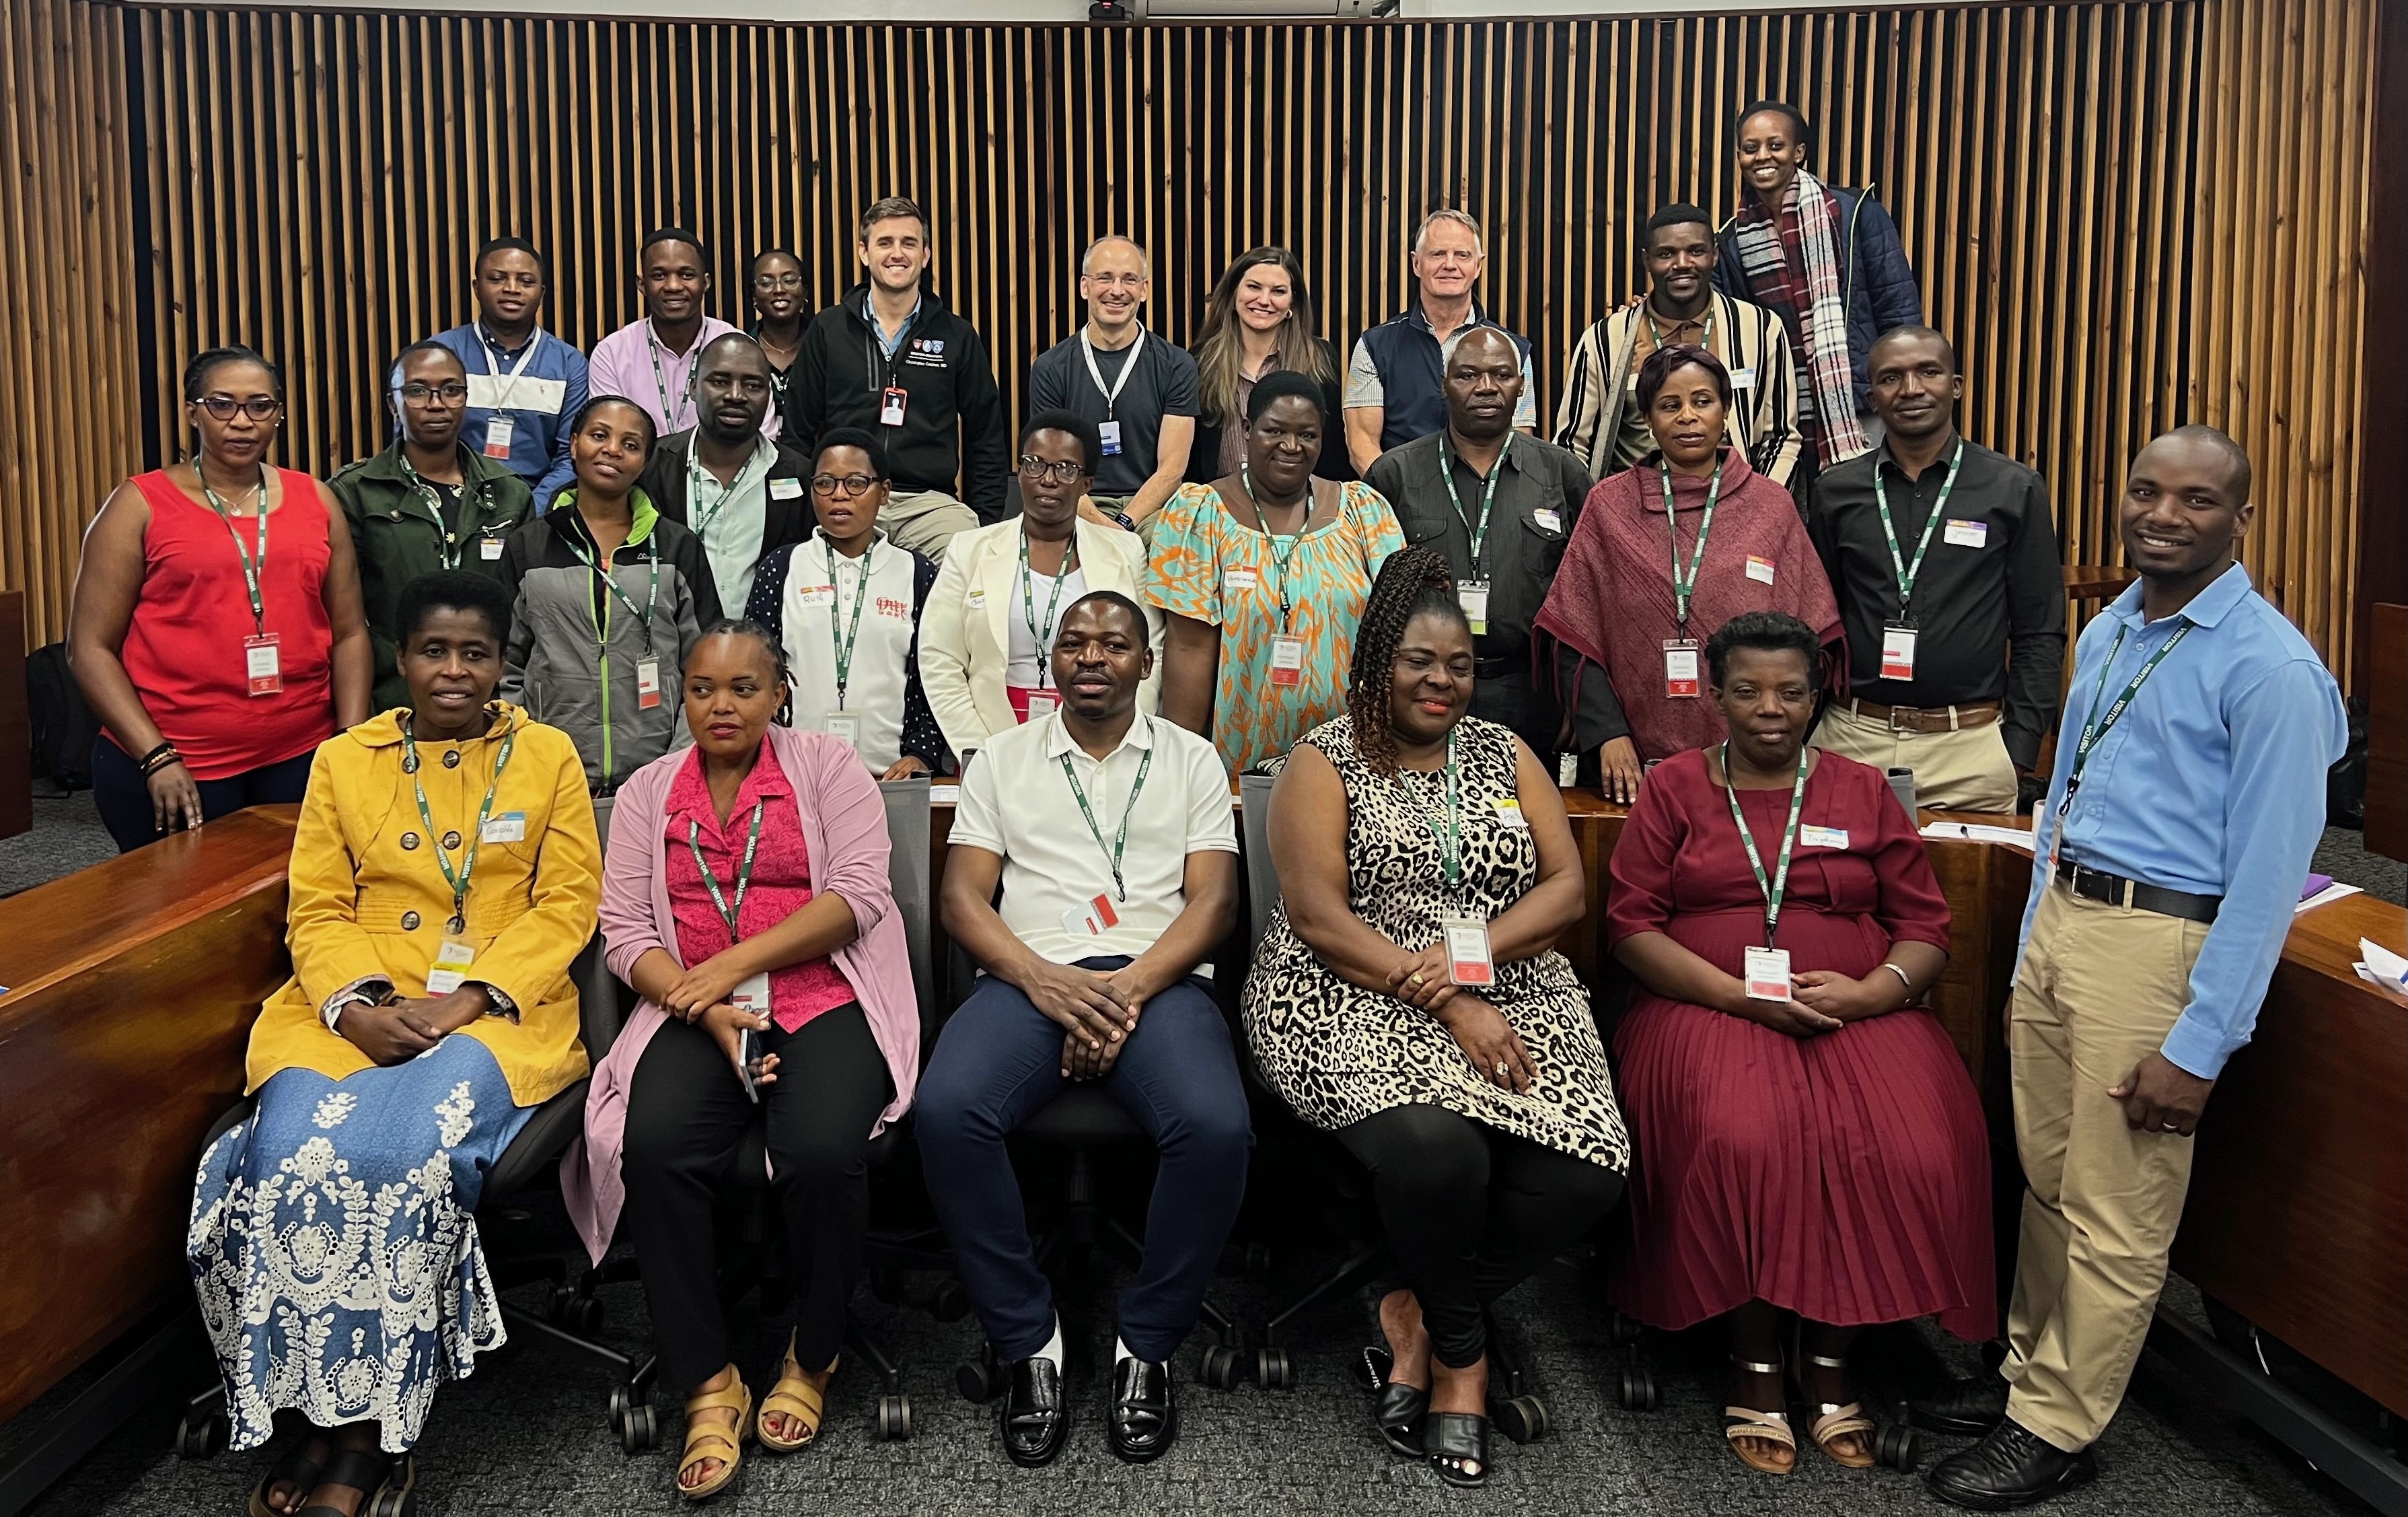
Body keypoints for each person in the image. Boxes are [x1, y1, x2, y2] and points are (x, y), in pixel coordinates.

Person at [1926, 428, 2347, 1510]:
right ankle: (2026, 1374)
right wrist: (2032, 947)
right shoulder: (2115, 624)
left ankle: (2059, 1425)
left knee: (2119, 1205)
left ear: (2240, 522)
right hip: (2067, 925)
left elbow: (2266, 883)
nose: (2162, 514)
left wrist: (2200, 1043)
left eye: (2197, 500)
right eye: (2144, 492)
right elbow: (2059, 805)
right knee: (2053, 1182)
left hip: (2160, 946)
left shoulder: (2271, 671)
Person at [190, 569, 599, 1517]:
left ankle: (377, 1434)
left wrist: (468, 999)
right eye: (433, 650)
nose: (454, 671)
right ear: (401, 658)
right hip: (348, 1011)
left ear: (503, 662)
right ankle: (309, 1409)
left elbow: (567, 902)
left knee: (401, 1157)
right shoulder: (345, 759)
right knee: (286, 1153)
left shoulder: (546, 755)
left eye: (476, 653)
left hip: (496, 1009)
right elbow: (318, 906)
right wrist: (355, 1004)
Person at [1243, 547, 1628, 1489]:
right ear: (1378, 663)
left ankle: (1414, 1309)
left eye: (1458, 665)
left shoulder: (1505, 752)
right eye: (1420, 661)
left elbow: (1566, 887)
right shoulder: (1320, 758)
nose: (1442, 681)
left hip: (1508, 984)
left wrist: (1479, 964)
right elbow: (1320, 920)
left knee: (1585, 1172)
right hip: (1343, 992)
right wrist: (1450, 1000)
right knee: (1437, 1151)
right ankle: (1462, 1355)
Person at [1605, 609, 1992, 1477]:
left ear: (1818, 694)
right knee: (1747, 1138)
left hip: (1858, 1006)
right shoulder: (1674, 788)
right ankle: (1753, 1362)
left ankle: (1829, 1362)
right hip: (1705, 1002)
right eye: (1746, 690)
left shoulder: (1863, 788)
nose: (1769, 708)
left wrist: (1873, 991)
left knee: (1909, 1143)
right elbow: (1633, 926)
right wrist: (1739, 997)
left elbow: (1925, 926)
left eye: (1790, 690)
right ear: (1715, 697)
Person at [565, 619, 920, 1500]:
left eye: (743, 688)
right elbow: (627, 932)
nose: (720, 705)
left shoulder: (827, 768)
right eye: (702, 688)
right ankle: (707, 1378)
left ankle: (814, 1348)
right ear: (681, 692)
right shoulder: (650, 790)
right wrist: (707, 1009)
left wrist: (725, 969)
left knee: (824, 1149)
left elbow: (858, 897)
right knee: (653, 1146)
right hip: (691, 1007)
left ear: (778, 692)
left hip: (821, 990)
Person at [918, 590, 1249, 1469]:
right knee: (947, 1108)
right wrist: (1046, 981)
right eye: (1074, 642)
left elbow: (1213, 901)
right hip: (1030, 979)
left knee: (1217, 1126)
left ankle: (1146, 1344)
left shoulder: (1192, 760)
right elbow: (960, 897)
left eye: (1114, 643)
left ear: (1146, 662)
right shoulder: (1001, 759)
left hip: (1160, 977)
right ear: (1050, 661)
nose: (1092, 656)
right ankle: (1031, 1341)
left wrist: (1127, 988)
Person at [67, 345, 373, 853]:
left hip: (299, 754)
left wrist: (350, 740)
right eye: (222, 405)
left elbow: (349, 631)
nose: (241, 422)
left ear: (277, 415)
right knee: (175, 919)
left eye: (259, 406)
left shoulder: (315, 498)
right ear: (193, 412)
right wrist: (155, 758)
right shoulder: (139, 504)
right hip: (173, 761)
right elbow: (90, 648)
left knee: (293, 910)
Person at [1534, 345, 1839, 789]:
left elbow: (1811, 638)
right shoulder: (1609, 506)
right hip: (1630, 763)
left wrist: (1779, 733)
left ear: (1725, 409)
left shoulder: (1770, 506)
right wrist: (1606, 734)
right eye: (1669, 405)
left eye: (1702, 401)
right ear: (1647, 418)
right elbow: (1575, 631)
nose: (1687, 417)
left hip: (1753, 756)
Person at [1807, 328, 2064, 814]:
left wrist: (2017, 750)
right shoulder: (1834, 492)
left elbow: (2039, 629)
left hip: (1968, 749)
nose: (1910, 389)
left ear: (1956, 385)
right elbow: (1817, 625)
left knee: (1966, 892)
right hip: (1851, 741)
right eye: (1891, 378)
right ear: (1872, 397)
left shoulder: (2012, 489)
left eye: (1928, 371)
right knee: (1833, 888)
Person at [1146, 372, 1405, 774]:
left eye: (1308, 435)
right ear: (1247, 430)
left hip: (1352, 757)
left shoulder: (1364, 512)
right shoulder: (1200, 515)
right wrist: (1184, 764)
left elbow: (1396, 639)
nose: (1291, 446)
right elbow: (1188, 648)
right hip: (1238, 754)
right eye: (1275, 430)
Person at [1364, 328, 1591, 764]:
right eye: (1468, 374)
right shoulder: (1393, 475)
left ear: (1520, 386)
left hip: (1532, 694)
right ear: (1443, 383)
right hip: (1420, 696)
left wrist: (1581, 700)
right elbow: (1368, 602)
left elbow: (1589, 597)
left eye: (1501, 375)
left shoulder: (1561, 473)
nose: (1486, 387)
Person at [500, 396, 722, 795]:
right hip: (548, 774)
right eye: (599, 435)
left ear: (645, 462)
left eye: (631, 444)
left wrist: (679, 761)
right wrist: (525, 749)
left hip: (661, 775)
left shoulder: (677, 547)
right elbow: (505, 663)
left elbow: (706, 666)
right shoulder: (528, 547)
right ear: (573, 444)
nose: (613, 450)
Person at [920, 411, 1161, 761]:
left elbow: (1150, 649)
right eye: (1035, 464)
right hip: (993, 733)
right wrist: (979, 751)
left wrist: (1123, 734)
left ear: (1086, 485)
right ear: (1019, 472)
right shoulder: (970, 550)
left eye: (1066, 469)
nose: (1048, 479)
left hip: (1099, 735)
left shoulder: (1125, 551)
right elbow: (939, 656)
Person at [1715, 101, 1921, 499]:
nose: (1762, 157)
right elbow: (1731, 329)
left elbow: (1898, 310)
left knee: (1871, 513)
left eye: (1775, 145)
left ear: (1798, 152)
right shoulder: (1731, 240)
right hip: (1784, 413)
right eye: (1750, 147)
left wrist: (1894, 388)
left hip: (1859, 401)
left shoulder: (1856, 213)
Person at [790, 196, 1008, 557]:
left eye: (909, 243)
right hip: (847, 494)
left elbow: (986, 437)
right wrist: (806, 507)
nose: (897, 253)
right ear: (864, 252)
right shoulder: (828, 330)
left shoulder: (957, 336)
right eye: (885, 243)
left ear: (925, 255)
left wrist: (983, 519)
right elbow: (798, 429)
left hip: (929, 505)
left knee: (971, 562)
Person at [335, 341, 536, 713]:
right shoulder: (356, 492)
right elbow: (344, 619)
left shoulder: (510, 493)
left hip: (487, 700)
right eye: (416, 391)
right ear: (393, 404)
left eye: (451, 390)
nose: (436, 403)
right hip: (391, 698)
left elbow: (524, 614)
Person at [743, 429, 947, 781]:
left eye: (856, 483)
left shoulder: (915, 572)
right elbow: (754, 669)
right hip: (794, 773)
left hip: (888, 775)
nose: (839, 495)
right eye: (825, 483)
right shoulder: (783, 566)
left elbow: (934, 673)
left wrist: (921, 753)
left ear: (883, 492)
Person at [1556, 203, 1802, 489]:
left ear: (1715, 255)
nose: (1682, 263)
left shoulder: (1760, 329)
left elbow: (1783, 437)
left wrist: (1758, 511)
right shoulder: (1605, 338)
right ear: (1646, 261)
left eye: (1696, 251)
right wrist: (1604, 516)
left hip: (1734, 505)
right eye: (1666, 254)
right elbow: (1571, 445)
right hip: (1633, 512)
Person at [1024, 236, 1200, 533]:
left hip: (1153, 508)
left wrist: (1124, 523)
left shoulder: (1176, 365)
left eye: (1129, 279)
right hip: (1077, 502)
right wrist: (1102, 527)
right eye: (1105, 278)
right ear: (1085, 286)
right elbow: (1051, 467)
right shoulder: (1051, 367)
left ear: (1144, 290)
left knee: (1172, 555)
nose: (1116, 291)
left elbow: (1171, 470)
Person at [1344, 210, 1540, 472]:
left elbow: (1518, 441)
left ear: (1478, 266)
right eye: (1437, 254)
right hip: (1398, 502)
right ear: (1416, 264)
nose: (1450, 264)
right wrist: (1398, 498)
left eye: (1462, 255)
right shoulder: (1374, 347)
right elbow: (1362, 445)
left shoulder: (1514, 351)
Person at [636, 332, 815, 610]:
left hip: (764, 645)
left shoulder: (801, 477)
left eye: (753, 385)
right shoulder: (651, 467)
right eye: (720, 382)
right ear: (693, 388)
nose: (736, 395)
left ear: (769, 395)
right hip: (673, 643)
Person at [431, 236, 589, 508]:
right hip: (452, 505)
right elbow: (416, 443)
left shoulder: (569, 364)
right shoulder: (439, 356)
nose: (512, 289)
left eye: (526, 281)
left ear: (541, 292)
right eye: (497, 279)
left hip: (536, 511)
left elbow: (569, 456)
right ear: (477, 288)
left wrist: (529, 513)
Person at [1185, 246, 1350, 486]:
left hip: (1300, 506)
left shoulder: (1320, 359)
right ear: (1233, 294)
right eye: (1254, 287)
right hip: (1219, 506)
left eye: (1278, 291)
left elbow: (1332, 448)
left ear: (1292, 301)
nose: (1264, 300)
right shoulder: (1200, 361)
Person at [587, 228, 742, 441]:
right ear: (642, 285)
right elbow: (608, 441)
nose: (673, 286)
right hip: (640, 474)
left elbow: (760, 435)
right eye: (659, 276)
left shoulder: (739, 348)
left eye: (686, 275)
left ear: (706, 283)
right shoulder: (612, 353)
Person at [748, 247, 813, 440]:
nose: (779, 290)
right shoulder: (743, 351)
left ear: (805, 290)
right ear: (754, 296)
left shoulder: (826, 345)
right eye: (766, 282)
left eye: (790, 280)